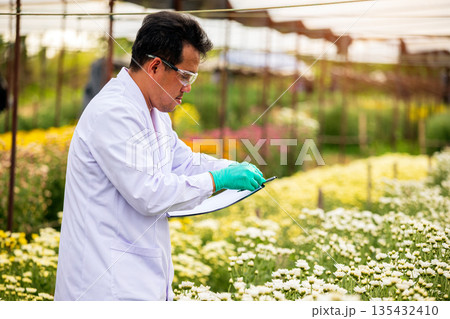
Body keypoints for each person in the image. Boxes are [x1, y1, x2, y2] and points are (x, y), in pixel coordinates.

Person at [55, 11, 265, 301]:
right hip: (105, 284)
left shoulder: (153, 111)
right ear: (155, 66)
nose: (188, 87)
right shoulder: (114, 113)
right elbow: (149, 193)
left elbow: (183, 161)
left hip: (138, 277)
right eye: (185, 75)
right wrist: (217, 181)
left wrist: (230, 168)